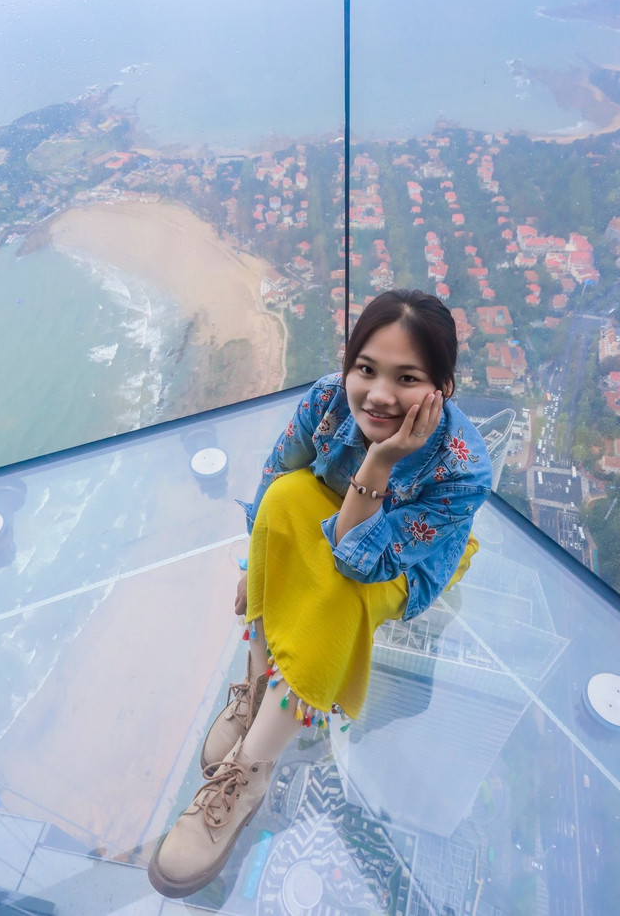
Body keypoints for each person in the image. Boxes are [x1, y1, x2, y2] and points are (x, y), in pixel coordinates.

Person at [148, 289, 492, 898]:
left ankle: (249, 773)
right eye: (366, 368)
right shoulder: (328, 399)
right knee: (285, 498)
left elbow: (362, 562)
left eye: (407, 378)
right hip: (334, 507)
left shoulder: (463, 468)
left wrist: (381, 461)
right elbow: (278, 476)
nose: (379, 394)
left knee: (339, 593)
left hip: (400, 557)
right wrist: (258, 567)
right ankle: (258, 693)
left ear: (443, 387)